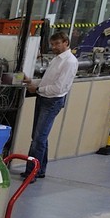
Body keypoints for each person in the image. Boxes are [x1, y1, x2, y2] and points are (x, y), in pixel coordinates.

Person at [24, 29, 77, 182]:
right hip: (43, 98)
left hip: (52, 101)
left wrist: (38, 89)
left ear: (66, 43)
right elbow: (49, 81)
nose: (54, 47)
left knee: (39, 139)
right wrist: (32, 83)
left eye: (57, 44)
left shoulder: (69, 62)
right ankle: (39, 169)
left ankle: (31, 173)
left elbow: (59, 88)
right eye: (52, 44)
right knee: (39, 136)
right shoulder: (56, 59)